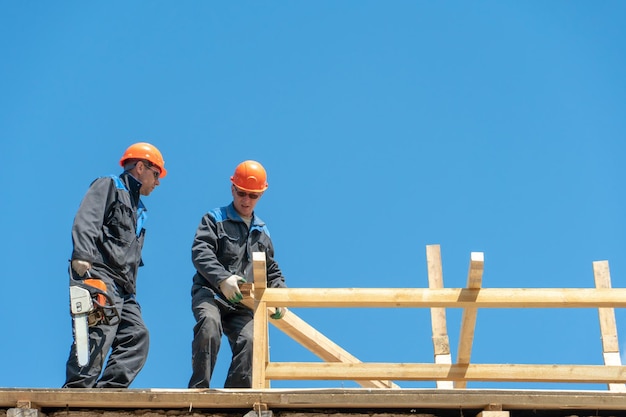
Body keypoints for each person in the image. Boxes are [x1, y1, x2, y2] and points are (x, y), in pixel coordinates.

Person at [63, 142, 167, 388]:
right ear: (140, 167)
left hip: (124, 288)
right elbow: (88, 217)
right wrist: (82, 254)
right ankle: (76, 394)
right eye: (156, 174)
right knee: (97, 335)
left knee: (137, 336)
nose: (158, 182)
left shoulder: (138, 209)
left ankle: (106, 395)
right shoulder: (109, 185)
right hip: (99, 273)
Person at [188, 160, 287, 388]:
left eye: (253, 196)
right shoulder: (214, 219)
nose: (246, 200)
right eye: (242, 193)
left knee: (252, 340)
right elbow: (200, 252)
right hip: (211, 293)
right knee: (210, 327)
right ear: (232, 189)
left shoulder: (262, 233)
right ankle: (198, 391)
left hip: (243, 304)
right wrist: (222, 279)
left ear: (261, 195)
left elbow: (272, 269)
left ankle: (236, 399)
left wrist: (280, 295)